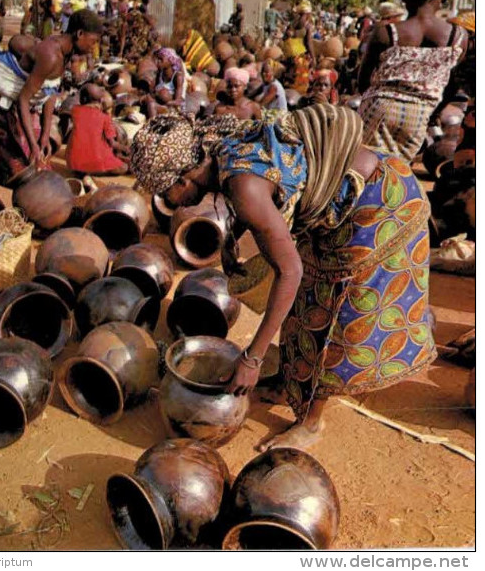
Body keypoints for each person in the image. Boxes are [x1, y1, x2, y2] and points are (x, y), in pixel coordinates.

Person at [130, 106, 436, 450]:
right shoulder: (217, 149)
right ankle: (286, 382)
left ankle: (310, 423)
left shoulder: (244, 188)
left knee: (334, 308)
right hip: (357, 190)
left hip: (381, 203)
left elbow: (290, 271)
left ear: (183, 179)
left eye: (165, 193)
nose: (169, 203)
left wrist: (251, 359)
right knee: (307, 296)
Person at [358, 0, 470, 162]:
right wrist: (432, 114)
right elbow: (452, 86)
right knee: (397, 176)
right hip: (418, 115)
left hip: (378, 108)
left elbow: (363, 80)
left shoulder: (386, 32)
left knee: (362, 169)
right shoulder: (458, 37)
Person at [0, 9, 103, 185]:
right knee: (23, 169)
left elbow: (50, 92)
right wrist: (33, 145)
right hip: (0, 99)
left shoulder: (67, 53)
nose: (94, 47)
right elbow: (23, 100)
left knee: (38, 162)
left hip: (21, 103)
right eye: (93, 41)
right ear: (80, 34)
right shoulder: (50, 54)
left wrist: (45, 134)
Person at [65, 83, 128, 176]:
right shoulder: (105, 118)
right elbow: (112, 143)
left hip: (72, 163)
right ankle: (94, 171)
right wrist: (127, 149)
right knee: (124, 167)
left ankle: (83, 170)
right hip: (94, 163)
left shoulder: (75, 111)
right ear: (101, 101)